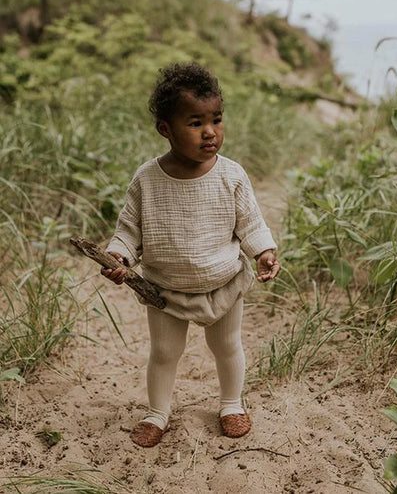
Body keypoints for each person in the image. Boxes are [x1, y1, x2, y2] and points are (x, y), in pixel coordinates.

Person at [102, 62, 280, 448]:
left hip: (223, 281)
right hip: (164, 289)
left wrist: (264, 251)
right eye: (195, 123)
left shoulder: (231, 174)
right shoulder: (147, 179)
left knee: (226, 345)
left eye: (216, 119)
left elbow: (249, 223)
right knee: (165, 352)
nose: (210, 132)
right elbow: (129, 230)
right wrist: (119, 258)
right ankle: (157, 413)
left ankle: (231, 404)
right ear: (165, 129)